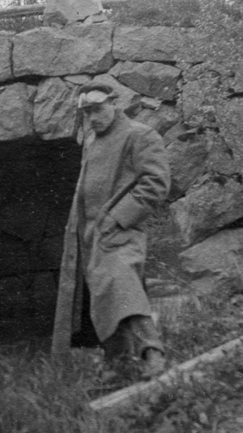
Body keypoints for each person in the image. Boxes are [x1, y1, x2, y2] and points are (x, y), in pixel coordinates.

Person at [51, 82, 171, 379]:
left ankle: (152, 353)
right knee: (101, 297)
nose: (92, 118)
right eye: (86, 112)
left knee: (121, 284)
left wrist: (117, 218)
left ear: (114, 104)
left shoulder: (139, 135)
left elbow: (155, 184)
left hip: (121, 231)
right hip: (91, 235)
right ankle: (117, 365)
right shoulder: (92, 141)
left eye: (97, 109)